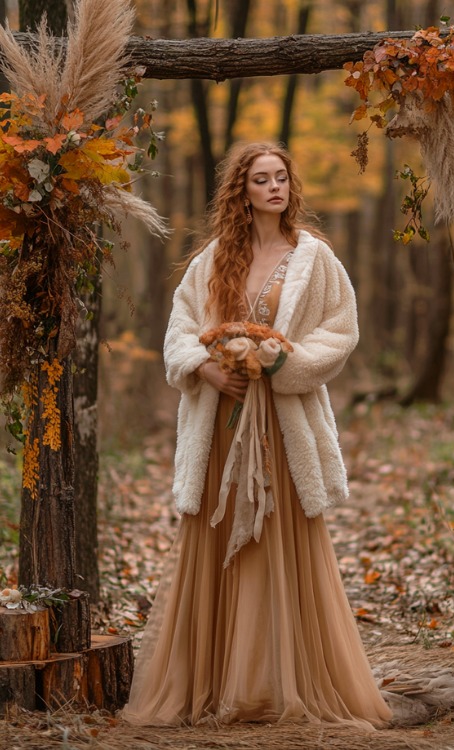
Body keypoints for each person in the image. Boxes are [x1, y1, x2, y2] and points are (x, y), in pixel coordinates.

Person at [122, 142, 392, 729]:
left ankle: (278, 683)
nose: (275, 188)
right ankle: (217, 683)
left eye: (281, 179)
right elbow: (180, 328)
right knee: (220, 541)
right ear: (242, 191)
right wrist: (205, 367)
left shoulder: (314, 258)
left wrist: (278, 363)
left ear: (291, 188)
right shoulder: (215, 258)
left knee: (279, 543)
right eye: (261, 180)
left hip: (283, 426)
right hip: (222, 421)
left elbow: (340, 333)